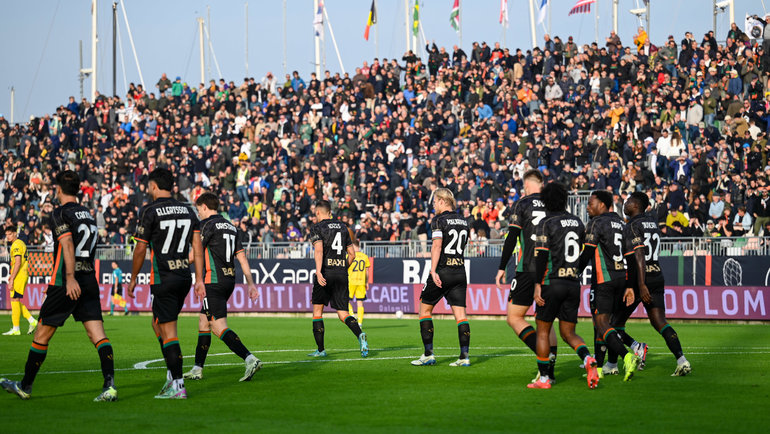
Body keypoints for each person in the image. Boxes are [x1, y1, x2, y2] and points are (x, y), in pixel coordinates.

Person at [0, 171, 116, 401]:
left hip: (66, 281)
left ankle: (25, 386)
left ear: (59, 189)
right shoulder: (88, 215)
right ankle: (110, 387)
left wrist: (69, 277)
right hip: (88, 278)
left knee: (41, 335)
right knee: (98, 335)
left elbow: (68, 244)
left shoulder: (60, 213)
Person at [128, 168, 205, 399]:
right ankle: (173, 375)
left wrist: (133, 278)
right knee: (157, 324)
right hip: (183, 276)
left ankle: (177, 384)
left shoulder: (149, 210)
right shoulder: (188, 210)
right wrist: (199, 279)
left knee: (169, 332)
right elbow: (197, 247)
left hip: (163, 277)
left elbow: (140, 248)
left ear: (153, 186)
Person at [607, 192, 691, 376]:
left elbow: (638, 256)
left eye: (629, 201)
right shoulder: (652, 223)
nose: (625, 204)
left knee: (613, 323)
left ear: (636, 205)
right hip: (657, 276)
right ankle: (681, 360)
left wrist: (638, 285)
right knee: (660, 322)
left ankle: (613, 364)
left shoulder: (632, 225)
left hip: (641, 280)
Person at [183, 192, 262, 382]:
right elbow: (242, 258)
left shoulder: (206, 225)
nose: (198, 213)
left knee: (218, 326)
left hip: (213, 281)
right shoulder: (231, 227)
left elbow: (195, 254)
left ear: (204, 207)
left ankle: (250, 359)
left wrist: (177, 264)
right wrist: (251, 284)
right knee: (204, 322)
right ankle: (197, 368)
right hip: (228, 281)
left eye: (198, 209)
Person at [528, 182, 598, 389]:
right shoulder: (577, 222)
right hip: (573, 284)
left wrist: (537, 284)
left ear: (546, 201)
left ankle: (544, 379)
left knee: (543, 330)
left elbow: (541, 256)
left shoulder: (546, 223)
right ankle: (587, 358)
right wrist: (577, 270)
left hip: (551, 282)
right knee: (569, 333)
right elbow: (588, 250)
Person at [495, 170, 558, 380]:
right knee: (546, 321)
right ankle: (549, 374)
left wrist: (502, 267)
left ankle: (543, 354)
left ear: (526, 185)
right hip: (550, 269)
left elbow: (512, 237)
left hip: (528, 268)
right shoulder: (553, 204)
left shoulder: (522, 204)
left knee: (514, 317)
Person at [577, 190, 641, 381]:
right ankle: (602, 367)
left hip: (603, 280)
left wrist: (574, 273)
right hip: (622, 278)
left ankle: (627, 356)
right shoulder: (622, 224)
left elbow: (587, 252)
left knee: (601, 323)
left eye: (591, 204)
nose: (588, 207)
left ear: (602, 205)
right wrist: (630, 285)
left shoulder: (596, 222)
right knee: (609, 325)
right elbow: (631, 258)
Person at [411, 188, 471, 367]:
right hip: (460, 271)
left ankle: (428, 354)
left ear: (443, 201)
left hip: (443, 271)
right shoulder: (464, 221)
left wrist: (433, 270)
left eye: (435, 202)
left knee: (424, 310)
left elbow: (437, 246)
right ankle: (464, 357)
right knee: (461, 316)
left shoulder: (438, 220)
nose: (434, 206)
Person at [307, 200, 368, 358]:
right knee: (343, 314)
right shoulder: (343, 227)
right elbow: (352, 254)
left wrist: (318, 272)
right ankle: (360, 334)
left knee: (317, 312)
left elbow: (319, 250)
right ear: (330, 212)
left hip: (325, 273)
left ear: (318, 212)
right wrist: (342, 268)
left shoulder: (317, 227)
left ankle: (321, 350)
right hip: (341, 274)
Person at [2, 225, 37, 335]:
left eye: (10, 234)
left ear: (15, 233)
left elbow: (18, 262)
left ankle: (16, 328)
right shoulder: (21, 243)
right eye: (6, 234)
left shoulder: (16, 244)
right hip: (21, 274)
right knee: (15, 300)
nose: (8, 236)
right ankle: (31, 321)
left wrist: (12, 278)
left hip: (19, 275)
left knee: (14, 300)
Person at [347, 234, 371, 327]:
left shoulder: (350, 255)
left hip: (351, 281)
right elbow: (367, 271)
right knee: (360, 303)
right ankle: (360, 323)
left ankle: (352, 316)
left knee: (345, 300)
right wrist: (366, 282)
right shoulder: (365, 256)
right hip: (361, 282)